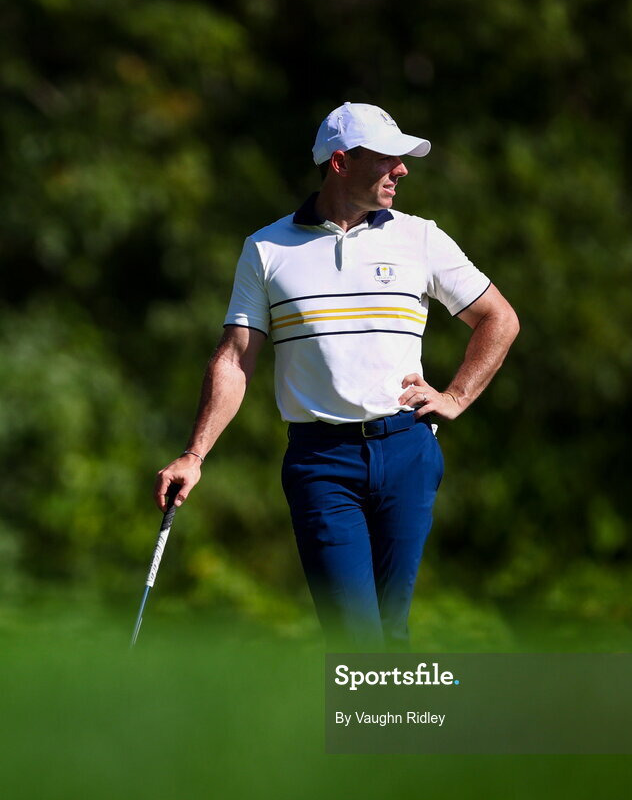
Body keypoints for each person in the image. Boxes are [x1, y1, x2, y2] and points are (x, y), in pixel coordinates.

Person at [154, 101, 519, 648]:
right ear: (342, 162)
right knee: (355, 637)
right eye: (388, 159)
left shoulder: (420, 238)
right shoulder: (267, 248)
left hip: (406, 450)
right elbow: (235, 357)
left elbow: (499, 318)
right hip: (321, 461)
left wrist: (457, 396)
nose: (402, 170)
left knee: (391, 632)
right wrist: (194, 454)